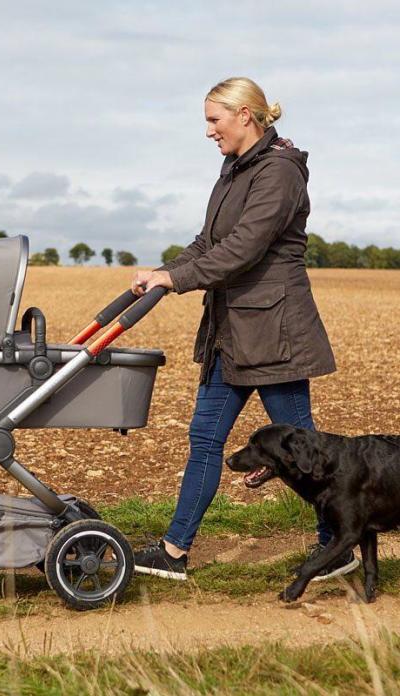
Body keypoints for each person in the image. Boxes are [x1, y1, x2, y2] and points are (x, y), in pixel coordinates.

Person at [131, 77, 357, 582]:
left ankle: (335, 547)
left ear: (245, 116)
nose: (209, 131)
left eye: (214, 120)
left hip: (275, 335)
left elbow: (244, 249)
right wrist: (162, 272)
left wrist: (179, 279)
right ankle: (173, 552)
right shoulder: (235, 169)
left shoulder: (278, 173)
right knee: (204, 441)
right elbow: (209, 242)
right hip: (229, 335)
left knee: (308, 456)